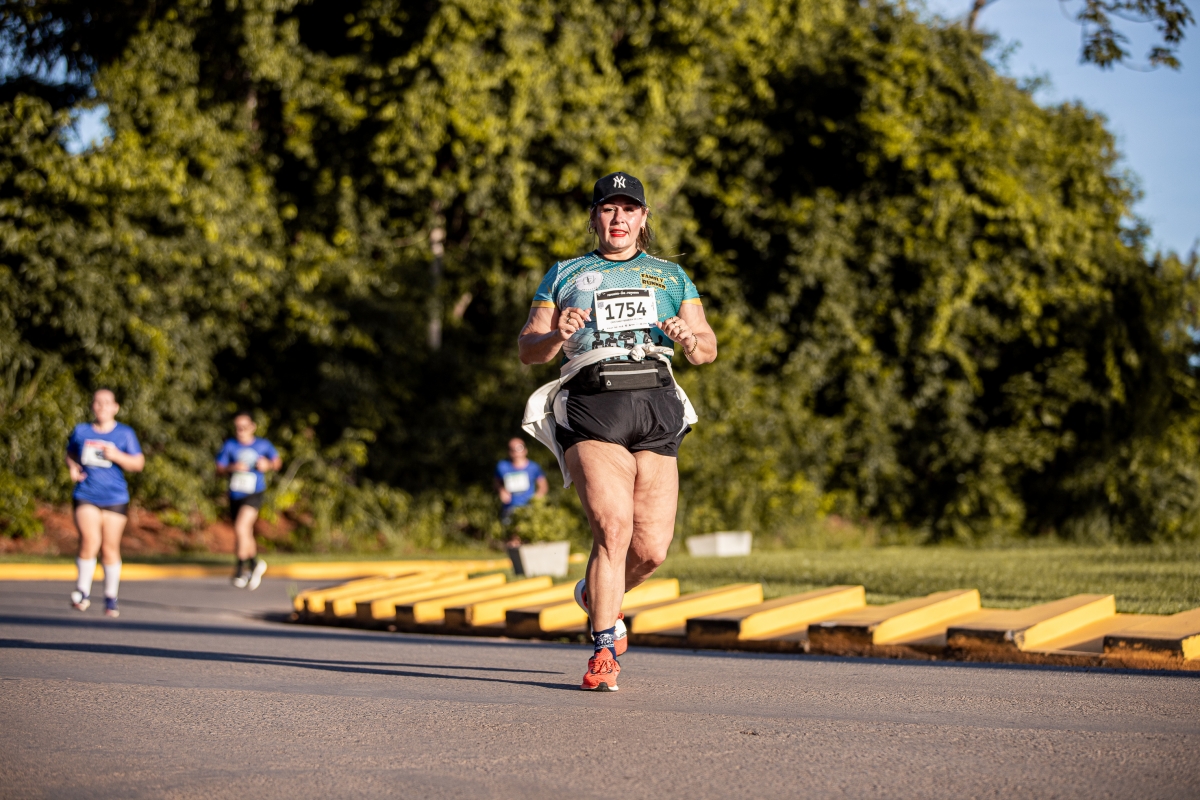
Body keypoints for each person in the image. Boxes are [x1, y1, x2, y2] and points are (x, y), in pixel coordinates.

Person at [518, 172, 718, 691]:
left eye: (629, 209)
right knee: (612, 529)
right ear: (595, 217)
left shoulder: (672, 276)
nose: (618, 218)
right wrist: (555, 335)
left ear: (643, 217)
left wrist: (687, 338)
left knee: (651, 549)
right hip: (593, 403)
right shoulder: (565, 273)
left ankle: (596, 596)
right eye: (608, 208)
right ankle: (604, 649)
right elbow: (528, 347)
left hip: (656, 403)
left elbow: (707, 348)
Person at [65, 389, 146, 617]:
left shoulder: (125, 433)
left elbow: (138, 463)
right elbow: (70, 454)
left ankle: (111, 597)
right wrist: (72, 468)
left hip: (115, 497)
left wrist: (116, 455)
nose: (102, 407)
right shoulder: (81, 431)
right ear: (92, 406)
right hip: (86, 494)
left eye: (107, 403)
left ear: (115, 407)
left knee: (110, 547)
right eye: (98, 402)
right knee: (90, 540)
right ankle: (83, 591)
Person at [214, 413, 281, 589]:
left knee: (241, 527)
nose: (240, 431)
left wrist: (267, 465)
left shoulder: (263, 445)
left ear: (252, 427)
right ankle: (255, 564)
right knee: (246, 533)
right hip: (235, 494)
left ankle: (240, 570)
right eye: (237, 427)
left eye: (244, 427)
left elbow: (277, 462)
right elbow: (219, 468)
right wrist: (232, 467)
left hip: (254, 493)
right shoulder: (230, 445)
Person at [495, 437, 549, 528]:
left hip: (529, 508)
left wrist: (537, 498)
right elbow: (496, 483)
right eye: (512, 449)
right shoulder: (502, 466)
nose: (516, 452)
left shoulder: (534, 467)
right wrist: (501, 490)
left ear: (525, 450)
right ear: (508, 451)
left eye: (519, 448)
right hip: (509, 508)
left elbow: (543, 486)